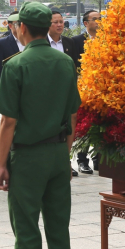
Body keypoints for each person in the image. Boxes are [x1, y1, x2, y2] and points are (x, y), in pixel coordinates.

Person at [0, 2, 80, 249]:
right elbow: (73, 115)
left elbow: (8, 122)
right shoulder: (65, 63)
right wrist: (65, 154)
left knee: (28, 232)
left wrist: (2, 163)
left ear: (22, 29)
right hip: (58, 154)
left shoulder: (15, 65)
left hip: (28, 158)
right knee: (59, 231)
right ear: (48, 28)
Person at [48, 10, 80, 177]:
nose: (60, 25)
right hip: (49, 91)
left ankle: (66, 158)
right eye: (56, 22)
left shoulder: (69, 42)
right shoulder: (42, 43)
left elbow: (74, 67)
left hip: (67, 89)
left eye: (61, 21)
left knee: (71, 120)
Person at [70, 9, 101, 174]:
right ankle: (82, 160)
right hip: (83, 89)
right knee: (84, 126)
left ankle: (99, 158)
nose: (98, 21)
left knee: (100, 123)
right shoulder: (76, 41)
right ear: (86, 23)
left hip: (102, 89)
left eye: (100, 18)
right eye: (95, 19)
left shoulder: (107, 39)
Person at [0, 9, 23, 99]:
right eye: (18, 24)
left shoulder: (30, 41)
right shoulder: (1, 44)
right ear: (10, 26)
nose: (22, 26)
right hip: (10, 91)